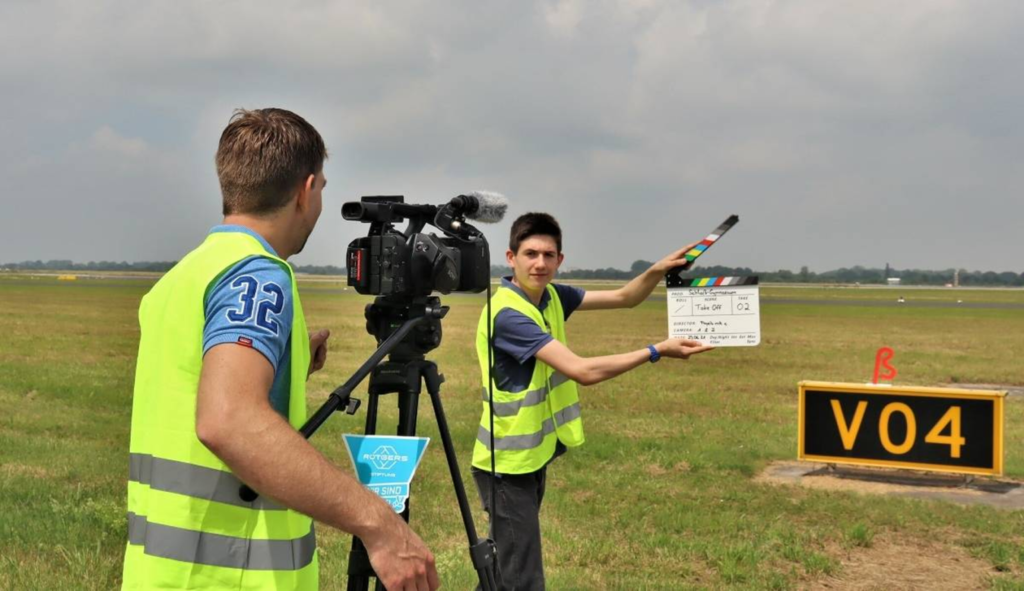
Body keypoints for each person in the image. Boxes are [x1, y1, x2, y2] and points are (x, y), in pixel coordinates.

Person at [122, 108, 439, 591]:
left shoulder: (186, 274)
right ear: (305, 190)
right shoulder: (257, 274)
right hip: (233, 575)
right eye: (323, 189)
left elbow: (194, 387)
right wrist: (379, 524)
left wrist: (283, 361)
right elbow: (228, 421)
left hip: (165, 572)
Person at [471, 212, 714, 590]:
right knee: (522, 579)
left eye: (549, 255)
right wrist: (655, 350)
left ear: (560, 260)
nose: (540, 263)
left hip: (529, 457)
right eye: (531, 253)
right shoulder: (508, 314)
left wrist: (657, 269)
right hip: (506, 465)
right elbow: (582, 371)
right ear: (511, 257)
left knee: (508, 571)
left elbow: (624, 297)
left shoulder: (551, 295)